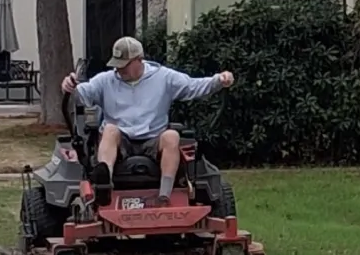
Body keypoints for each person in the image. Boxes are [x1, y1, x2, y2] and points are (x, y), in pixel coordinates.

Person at [61, 36, 235, 205]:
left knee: (172, 136)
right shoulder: (106, 80)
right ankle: (104, 185)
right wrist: (70, 87)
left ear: (139, 60)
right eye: (117, 65)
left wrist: (219, 80)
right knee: (109, 130)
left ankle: (164, 195)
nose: (120, 69)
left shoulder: (164, 77)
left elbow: (193, 86)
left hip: (153, 138)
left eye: (124, 65)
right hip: (121, 139)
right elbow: (81, 94)